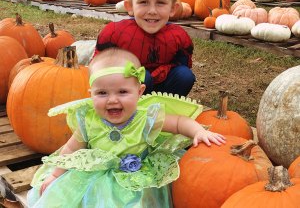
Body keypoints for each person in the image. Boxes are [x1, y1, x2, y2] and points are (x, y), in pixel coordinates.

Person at [27, 47, 225, 207]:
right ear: (91, 94)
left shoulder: (145, 119)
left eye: (122, 92)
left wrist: (198, 131)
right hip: (95, 179)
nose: (113, 100)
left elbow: (180, 122)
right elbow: (70, 150)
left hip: (136, 181)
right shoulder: (89, 121)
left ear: (139, 92)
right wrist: (55, 174)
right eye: (102, 93)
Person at [94, 0, 195, 97]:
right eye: (143, 2)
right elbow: (100, 68)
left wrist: (160, 72)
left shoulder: (178, 36)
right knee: (143, 76)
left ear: (173, 9)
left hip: (163, 84)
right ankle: (132, 111)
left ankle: (166, 107)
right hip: (125, 90)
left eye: (160, 3)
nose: (152, 11)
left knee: (185, 75)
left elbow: (181, 64)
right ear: (130, 6)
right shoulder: (116, 33)